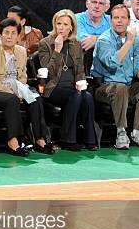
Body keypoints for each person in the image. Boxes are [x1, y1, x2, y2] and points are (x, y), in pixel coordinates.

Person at [0, 18, 53, 156]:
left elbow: (22, 76)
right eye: (6, 32)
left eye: (13, 33)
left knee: (36, 99)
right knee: (12, 99)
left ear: (18, 36)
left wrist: (21, 90)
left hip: (16, 89)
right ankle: (12, 142)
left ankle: (39, 139)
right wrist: (13, 92)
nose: (9, 36)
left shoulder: (21, 51)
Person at [91, 4, 139, 150]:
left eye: (123, 18)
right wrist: (128, 42)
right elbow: (112, 63)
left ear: (128, 20)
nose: (119, 21)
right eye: (116, 18)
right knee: (119, 89)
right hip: (105, 87)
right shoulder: (104, 40)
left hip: (128, 86)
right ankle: (121, 132)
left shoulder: (136, 40)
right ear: (110, 20)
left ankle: (138, 132)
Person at [38, 10, 97, 151]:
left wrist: (81, 84)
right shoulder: (45, 43)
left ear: (71, 27)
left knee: (87, 96)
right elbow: (48, 72)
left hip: (72, 87)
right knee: (75, 96)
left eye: (65, 24)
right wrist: (57, 50)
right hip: (52, 88)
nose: (61, 27)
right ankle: (67, 140)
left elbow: (80, 70)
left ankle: (90, 140)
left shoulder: (76, 44)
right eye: (58, 23)